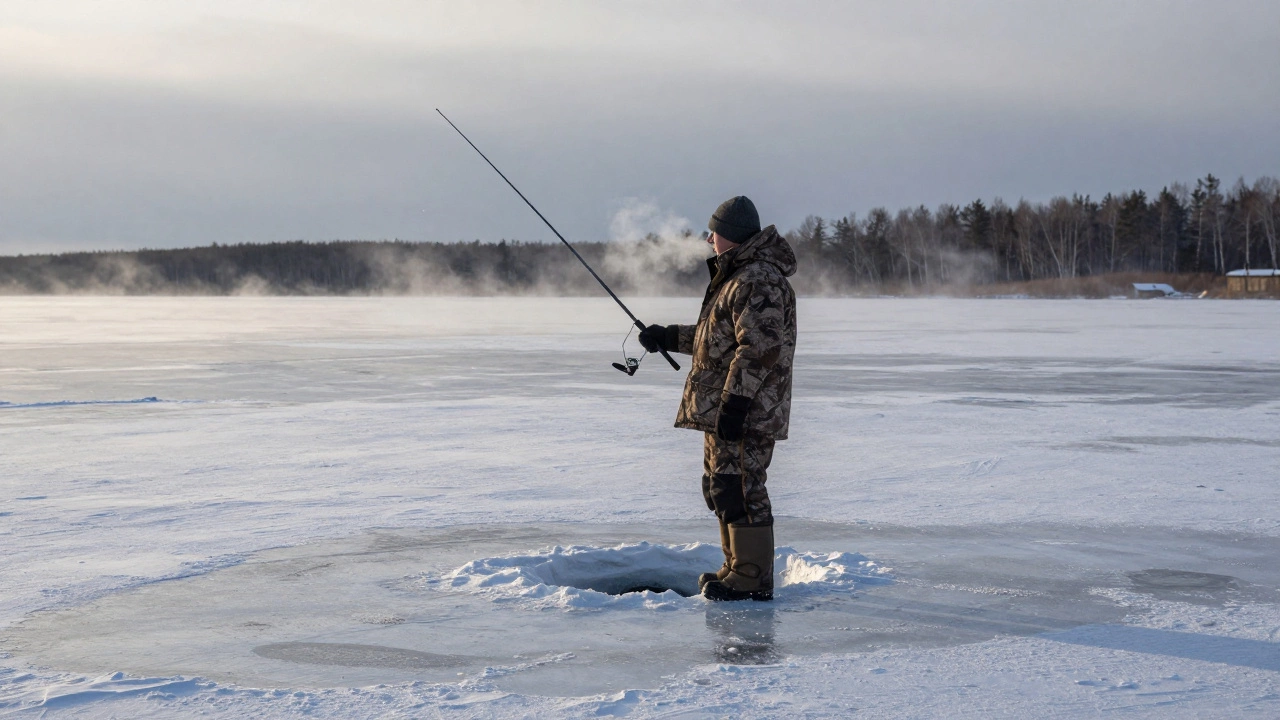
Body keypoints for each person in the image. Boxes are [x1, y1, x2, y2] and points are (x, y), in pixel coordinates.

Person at [639, 196, 797, 602]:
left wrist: (736, 404)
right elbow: (718, 338)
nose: (709, 238)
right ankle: (736, 568)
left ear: (732, 235)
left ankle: (752, 577)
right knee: (722, 486)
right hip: (727, 408)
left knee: (742, 487)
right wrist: (667, 336)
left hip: (745, 410)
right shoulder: (739, 276)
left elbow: (758, 348)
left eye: (715, 232)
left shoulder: (758, 279)